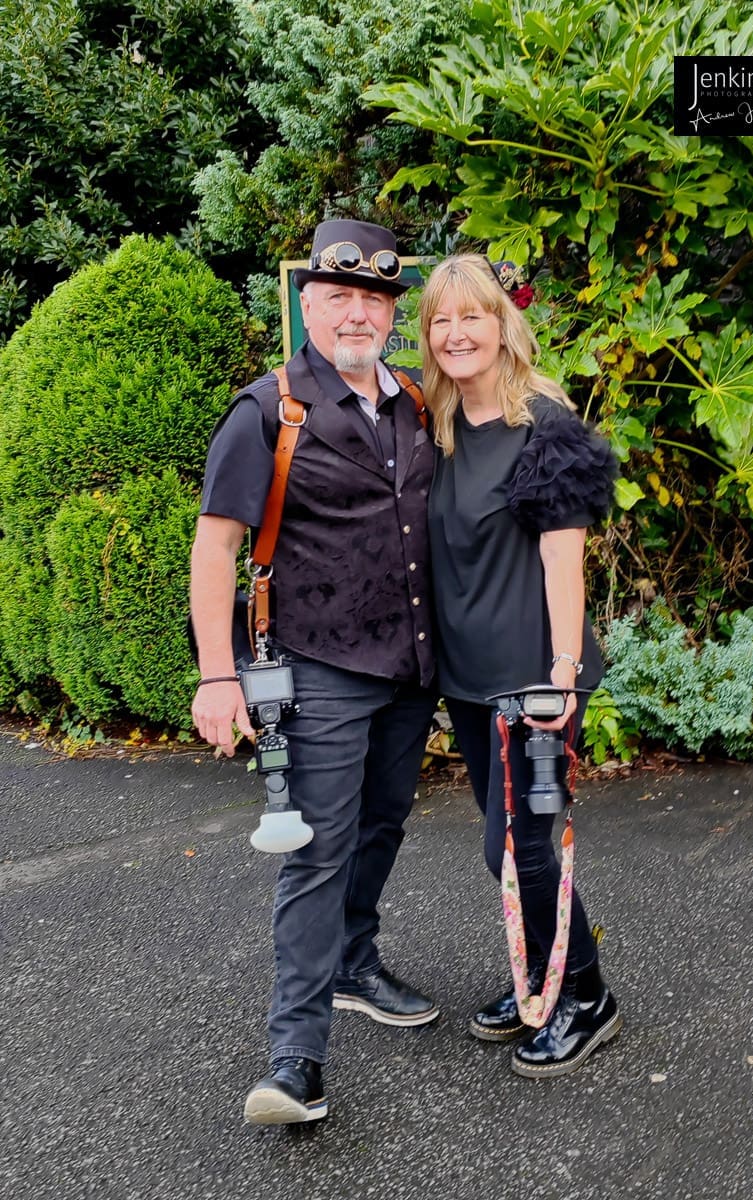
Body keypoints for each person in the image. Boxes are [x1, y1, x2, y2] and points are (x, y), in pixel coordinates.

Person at [190, 219, 438, 1125]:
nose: (357, 312)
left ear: (388, 313)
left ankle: (353, 961)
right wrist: (219, 676)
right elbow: (215, 549)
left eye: (373, 297)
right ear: (306, 304)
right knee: (315, 852)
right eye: (339, 295)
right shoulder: (268, 411)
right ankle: (295, 1060)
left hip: (411, 665)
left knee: (384, 823)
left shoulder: (414, 400)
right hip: (320, 663)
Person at [420, 254, 620, 1078]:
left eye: (474, 316)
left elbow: (563, 564)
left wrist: (563, 674)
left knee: (524, 847)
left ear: (505, 325)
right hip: (468, 677)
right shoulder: (433, 424)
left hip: (535, 674)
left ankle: (586, 993)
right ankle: (542, 970)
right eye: (441, 319)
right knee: (504, 846)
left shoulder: (546, 425)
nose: (458, 333)